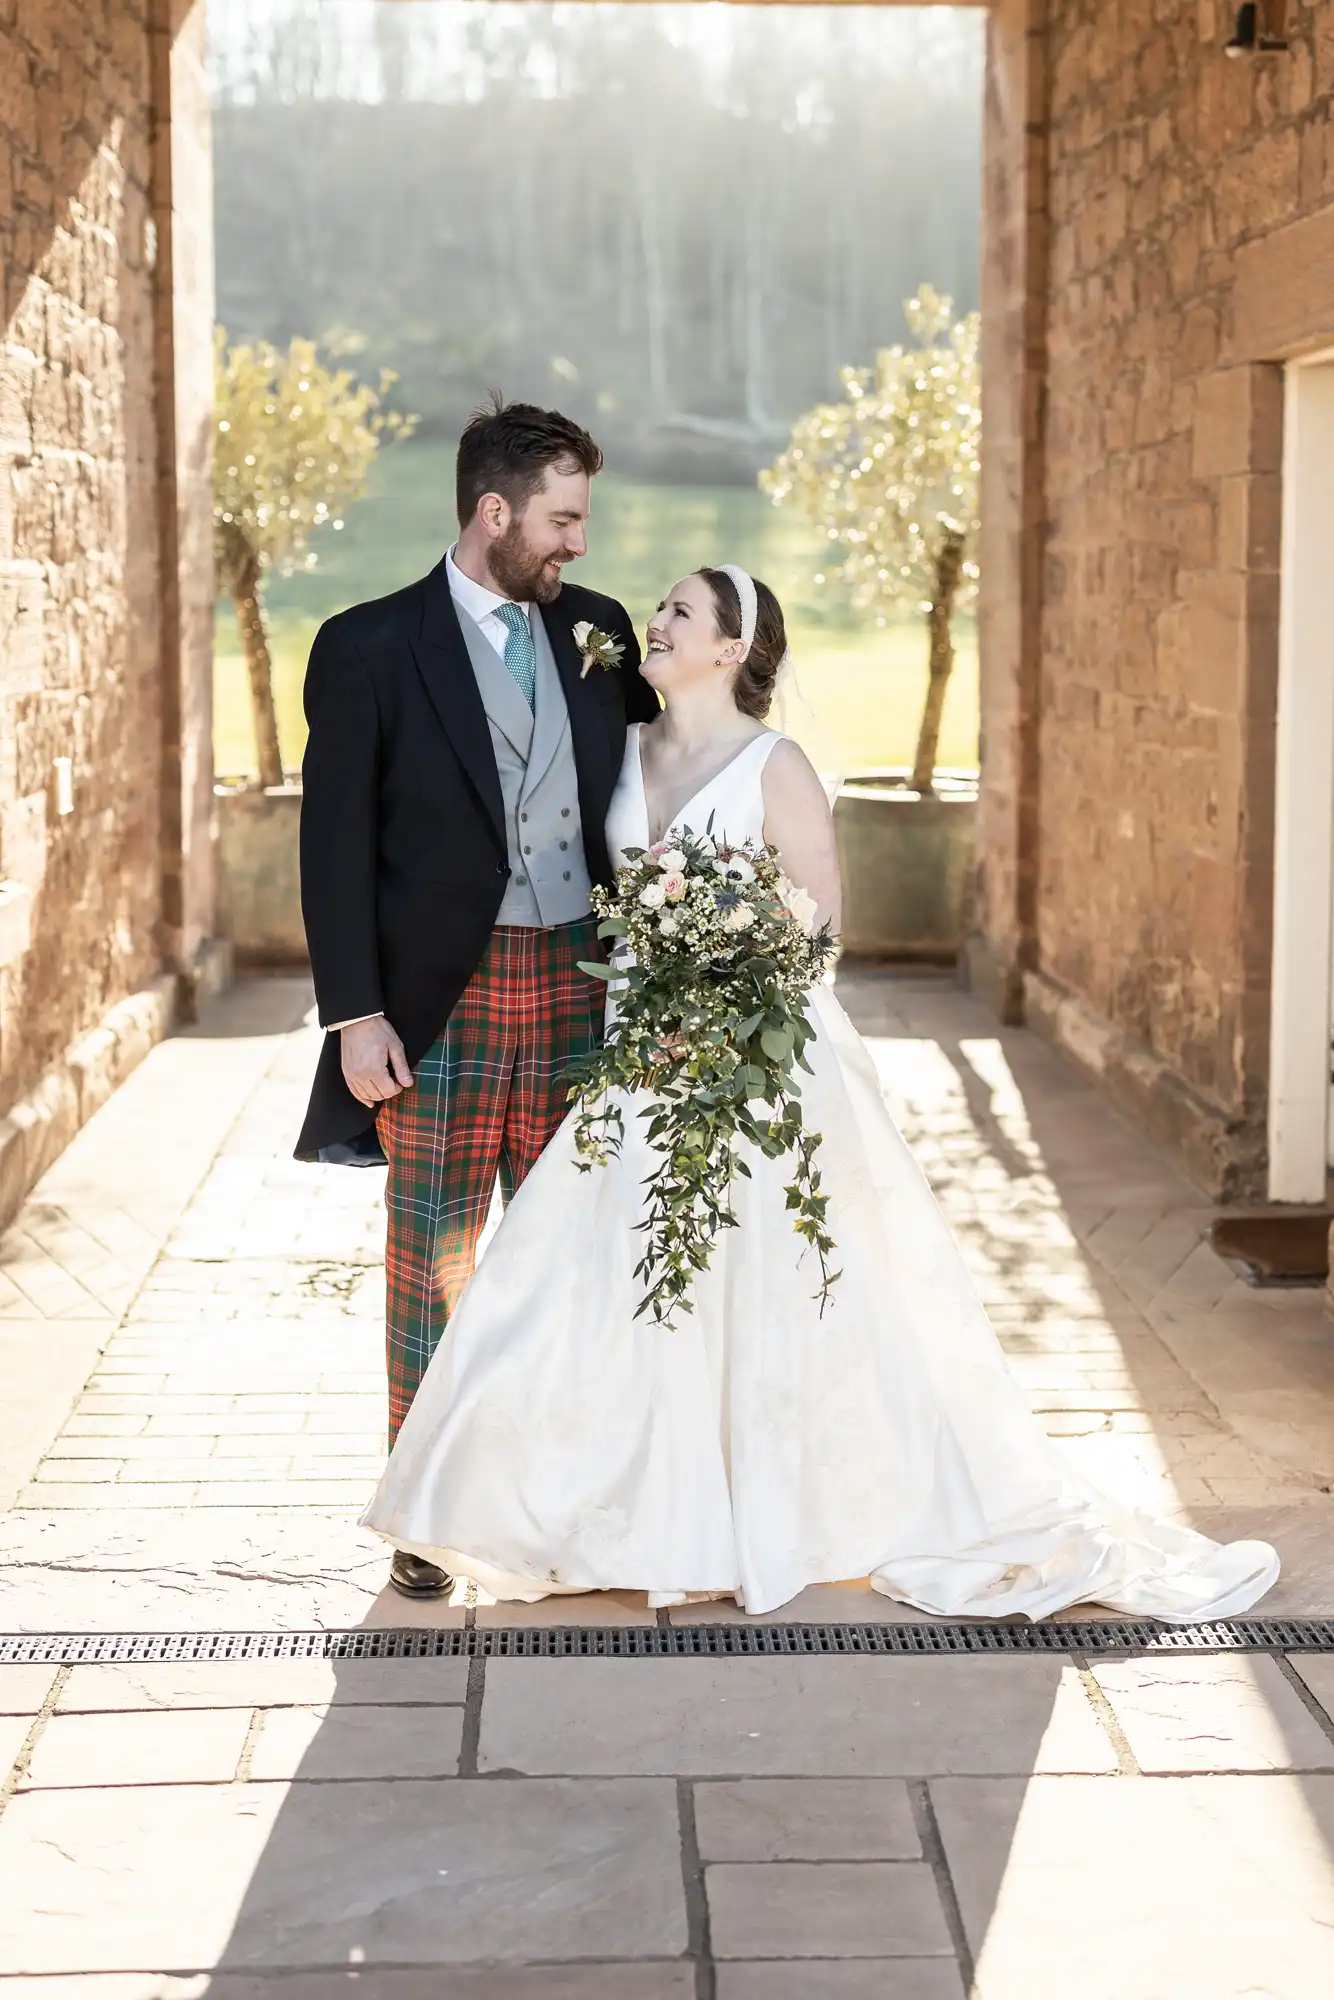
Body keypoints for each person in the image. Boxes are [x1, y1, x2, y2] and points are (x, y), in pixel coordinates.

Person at [361, 564, 1280, 1623]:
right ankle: (627, 1507)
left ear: (731, 651)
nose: (651, 623)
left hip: (752, 1066)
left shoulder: (774, 767)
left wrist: (709, 1013)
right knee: (598, 1280)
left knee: (767, 1284)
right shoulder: (617, 748)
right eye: (657, 609)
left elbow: (815, 929)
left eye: (677, 615)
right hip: (629, 1055)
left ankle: (780, 1503)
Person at [295, 397, 658, 1600]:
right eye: (561, 520)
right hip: (433, 1006)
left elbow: (676, 767)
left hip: (575, 988)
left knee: (568, 1256)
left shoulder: (598, 632)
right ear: (493, 512)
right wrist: (356, 1012)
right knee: (430, 1262)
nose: (578, 545)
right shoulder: (365, 644)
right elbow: (333, 845)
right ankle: (425, 1507)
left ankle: (557, 1494)